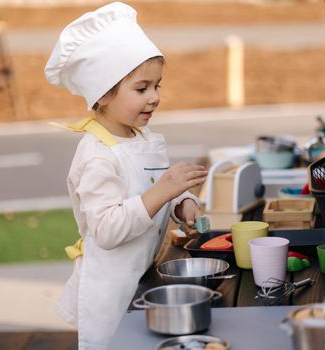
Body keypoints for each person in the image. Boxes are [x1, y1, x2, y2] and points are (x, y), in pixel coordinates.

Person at [44, 2, 207, 349]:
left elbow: (156, 186)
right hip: (111, 292)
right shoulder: (97, 157)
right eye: (142, 88)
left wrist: (183, 203)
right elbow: (107, 229)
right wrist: (165, 189)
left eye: (157, 86)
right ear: (103, 94)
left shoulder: (142, 136)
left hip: (143, 275)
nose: (155, 98)